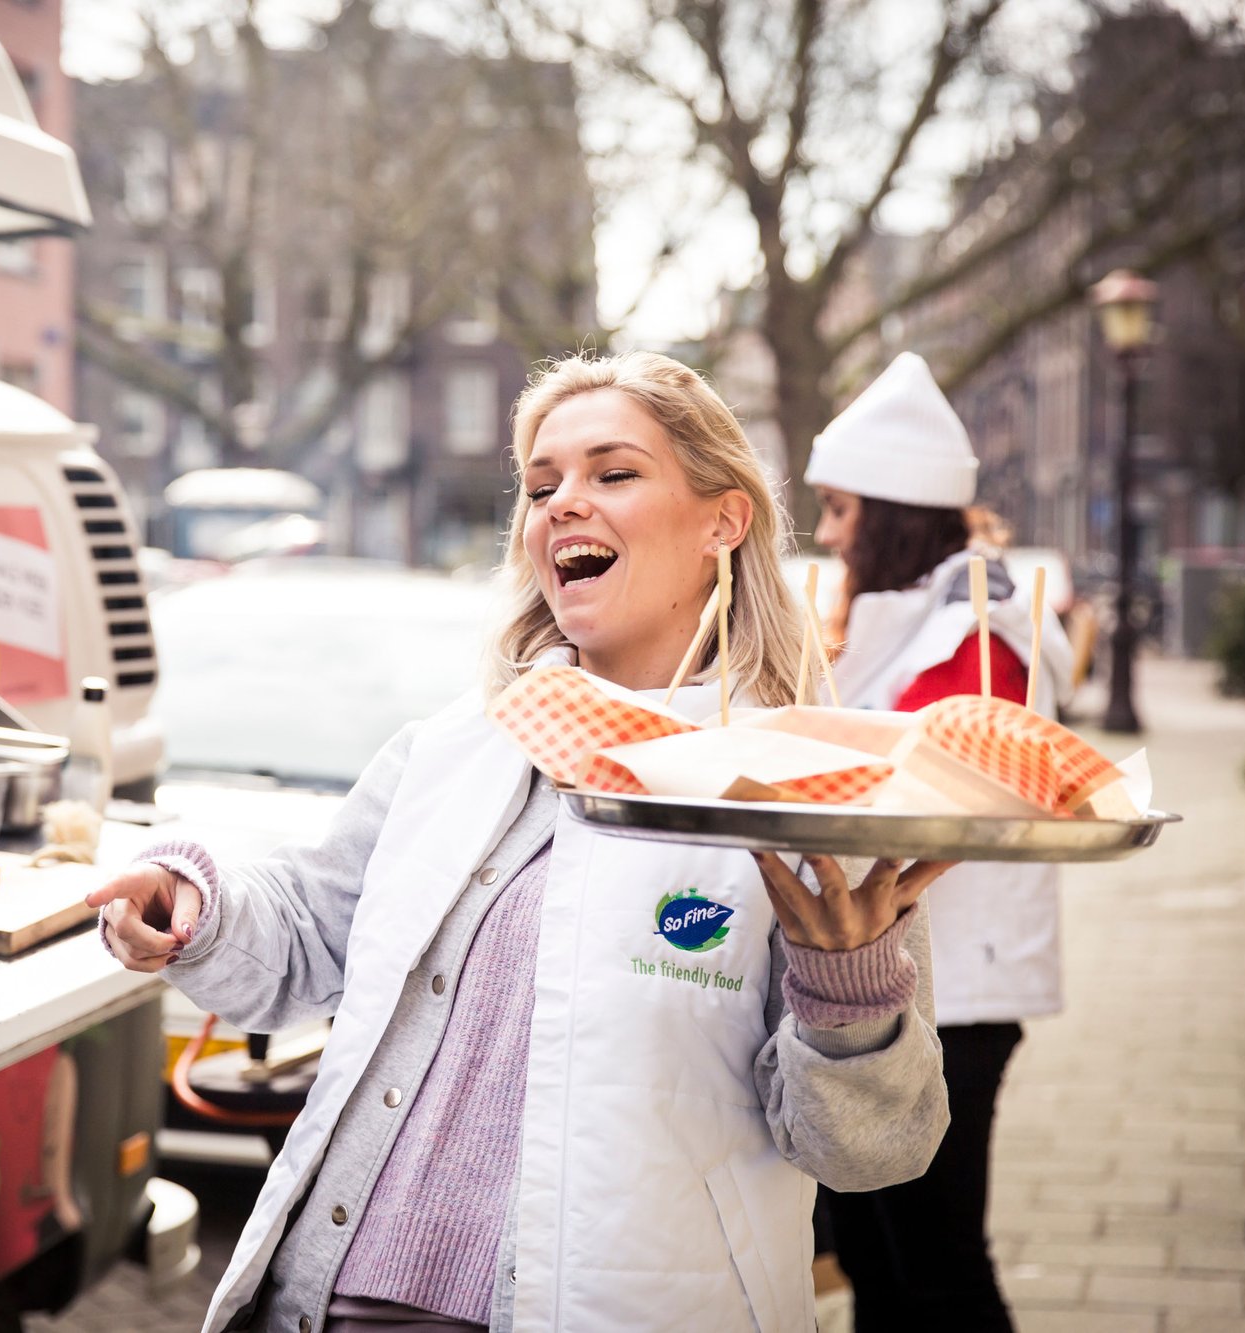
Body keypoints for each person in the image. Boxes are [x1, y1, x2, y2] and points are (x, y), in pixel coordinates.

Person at [89, 352, 955, 1333]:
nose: (561, 505)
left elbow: (872, 1151)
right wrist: (196, 899)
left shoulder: (800, 792)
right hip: (328, 1302)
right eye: (541, 486)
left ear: (722, 519)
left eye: (611, 473)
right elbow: (311, 922)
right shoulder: (459, 745)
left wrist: (848, 999)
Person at [804, 351, 1075, 1332]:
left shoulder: (971, 628)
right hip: (914, 980)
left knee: (930, 1267)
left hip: (949, 992)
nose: (829, 534)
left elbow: (913, 783)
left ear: (888, 513)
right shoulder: (933, 614)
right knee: (883, 1264)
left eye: (839, 510)